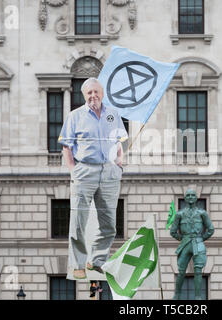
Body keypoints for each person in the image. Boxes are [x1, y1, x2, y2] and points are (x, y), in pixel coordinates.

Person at [58, 78, 128, 280]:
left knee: (109, 224)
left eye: (96, 92)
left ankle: (96, 261)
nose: (93, 96)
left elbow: (119, 141)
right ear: (84, 95)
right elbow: (66, 146)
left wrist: (119, 162)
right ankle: (78, 264)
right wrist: (74, 171)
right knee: (78, 222)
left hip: (109, 172)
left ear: (102, 93)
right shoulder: (74, 116)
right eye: (89, 93)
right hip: (84, 171)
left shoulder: (113, 114)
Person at [170, 189, 215, 300]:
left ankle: (198, 296)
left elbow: (211, 229)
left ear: (196, 198)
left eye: (193, 195)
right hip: (185, 244)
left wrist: (201, 239)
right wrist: (182, 238)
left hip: (198, 243)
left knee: (198, 271)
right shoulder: (179, 214)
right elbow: (173, 231)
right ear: (185, 198)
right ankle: (177, 294)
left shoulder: (202, 213)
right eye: (188, 195)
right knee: (181, 271)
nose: (190, 197)